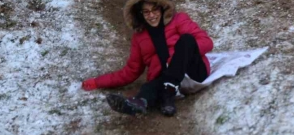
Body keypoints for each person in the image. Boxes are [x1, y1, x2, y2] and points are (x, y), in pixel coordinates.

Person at [81, 0, 213, 117]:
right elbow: (131, 70)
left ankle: (169, 92)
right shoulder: (139, 37)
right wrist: (97, 82)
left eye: (154, 10)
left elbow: (206, 42)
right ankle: (138, 103)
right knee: (149, 87)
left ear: (162, 8)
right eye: (146, 12)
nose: (151, 15)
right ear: (141, 14)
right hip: (164, 78)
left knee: (186, 40)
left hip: (193, 70)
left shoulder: (179, 19)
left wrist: (175, 58)